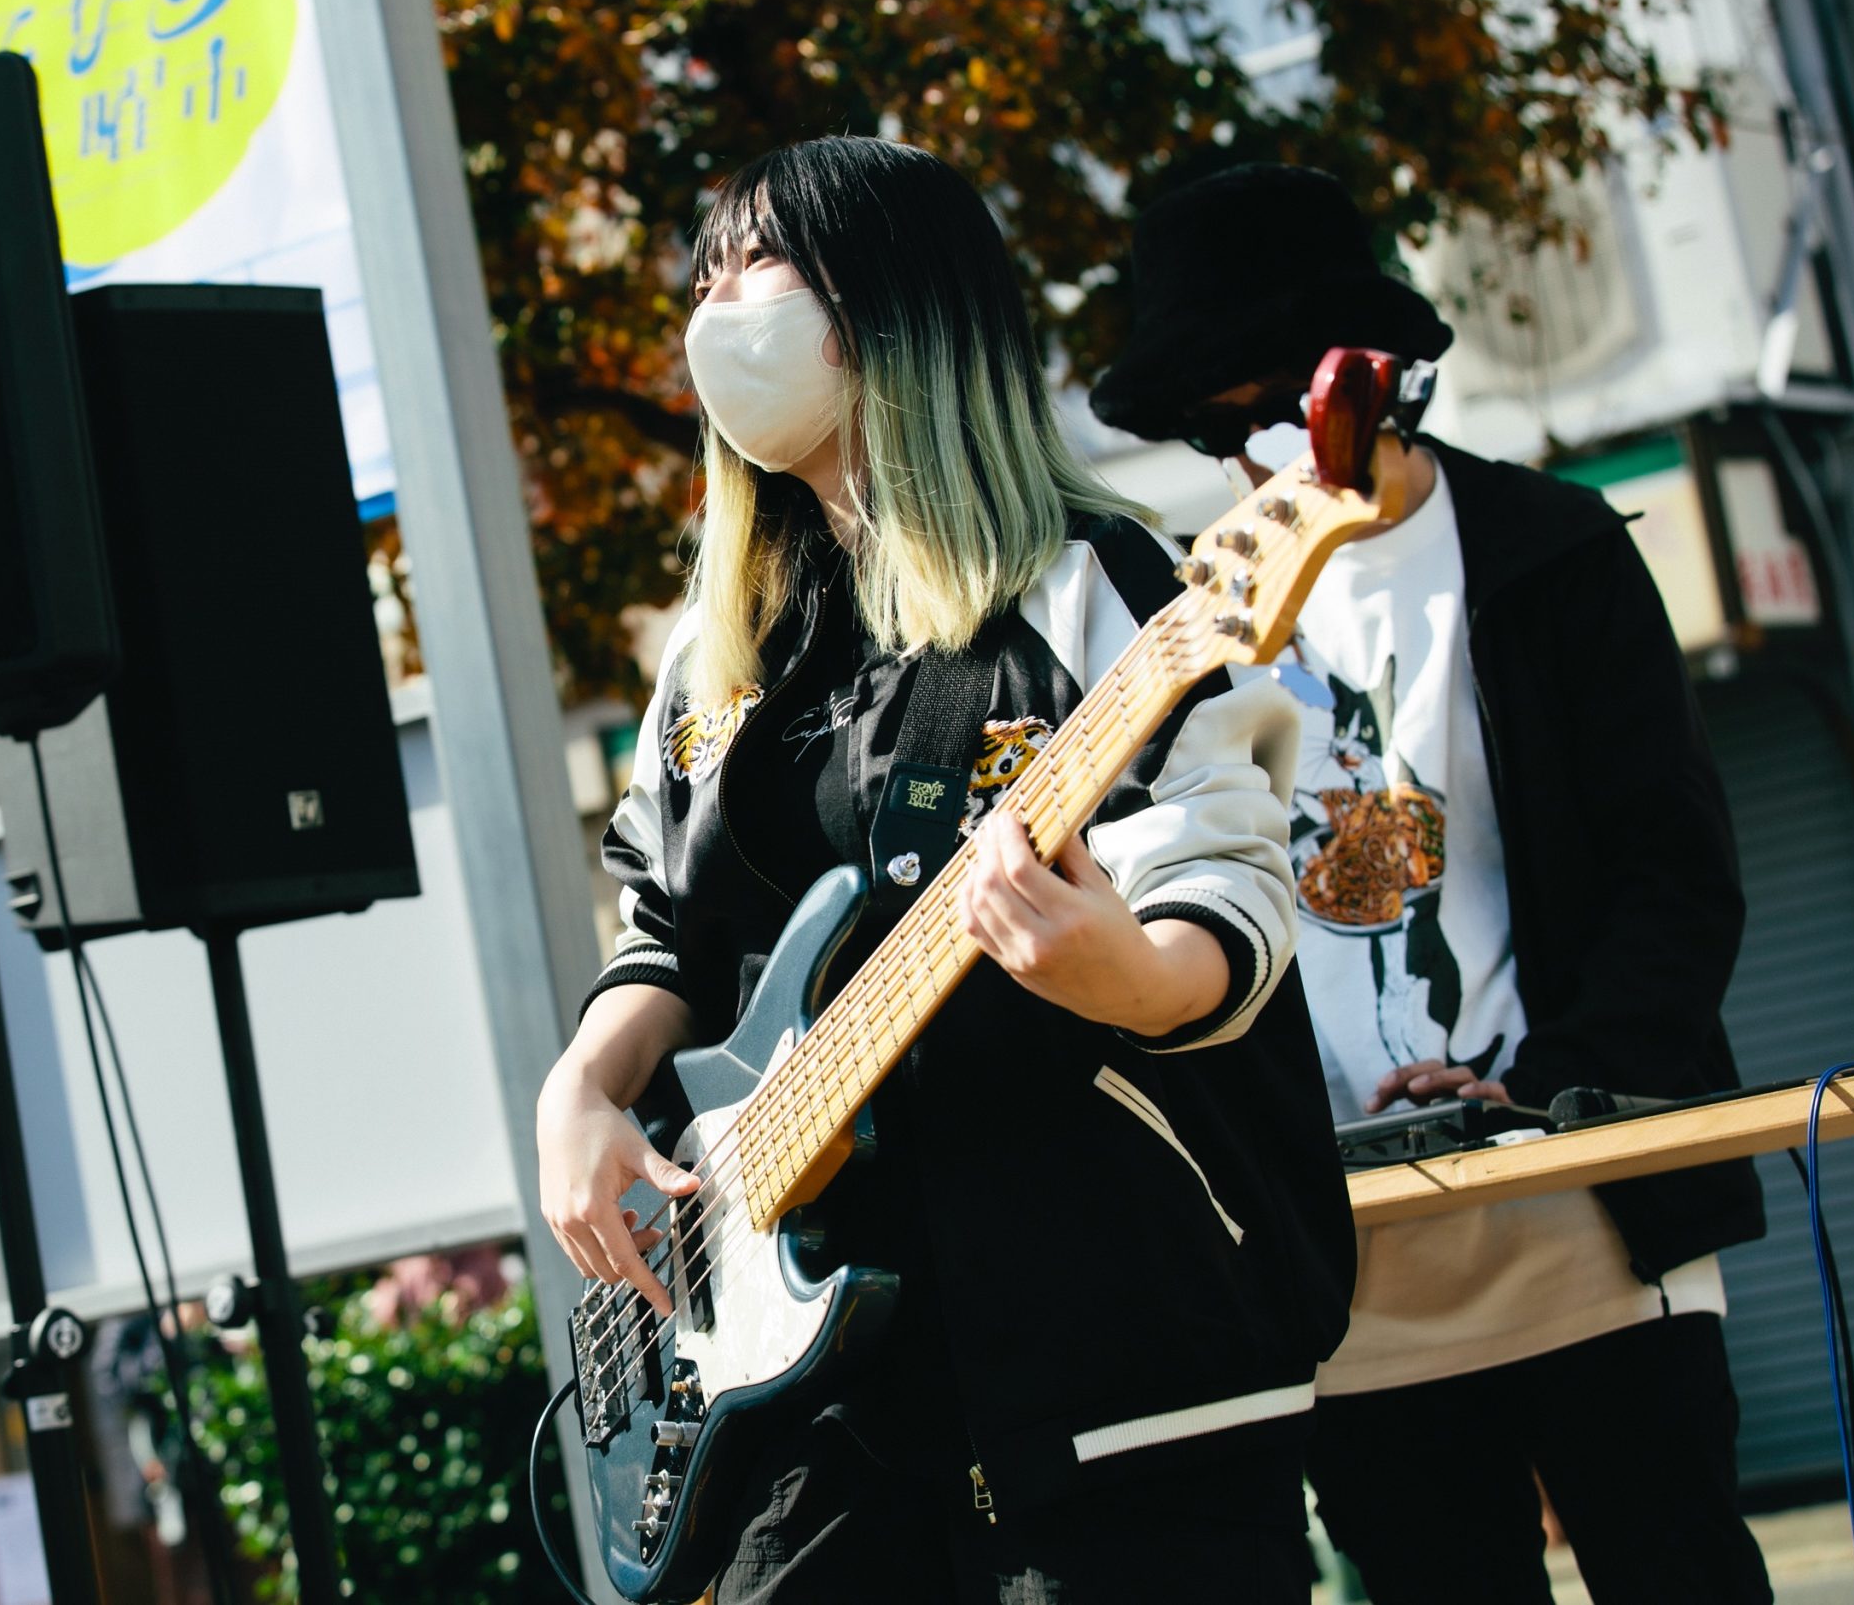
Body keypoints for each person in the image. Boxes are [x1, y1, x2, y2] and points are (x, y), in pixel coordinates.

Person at [537, 136, 1356, 1603]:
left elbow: (1225, 876)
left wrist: (1129, 973)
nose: (715, 306)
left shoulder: (1094, 578)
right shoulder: (715, 655)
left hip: (1110, 1369)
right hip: (814, 1415)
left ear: (893, 303)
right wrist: (581, 1090)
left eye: (758, 262)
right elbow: (667, 924)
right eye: (702, 275)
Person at [1090, 161, 1771, 1605]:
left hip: (1588, 1208)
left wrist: (1552, 1087)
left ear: (1372, 376)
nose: (1255, 456)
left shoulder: (1554, 551)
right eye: (1214, 427)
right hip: (1352, 1261)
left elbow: (1675, 877)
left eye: (1277, 405)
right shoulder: (1184, 627)